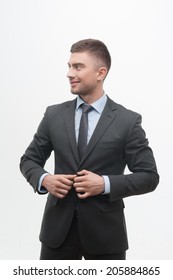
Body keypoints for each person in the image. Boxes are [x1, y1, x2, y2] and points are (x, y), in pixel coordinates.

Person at [20, 39, 159, 260]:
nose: (69, 73)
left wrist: (104, 183)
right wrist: (44, 179)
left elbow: (149, 177)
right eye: (69, 66)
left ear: (100, 73)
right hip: (57, 235)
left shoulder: (127, 121)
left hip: (106, 237)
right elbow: (29, 160)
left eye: (78, 67)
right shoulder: (53, 115)